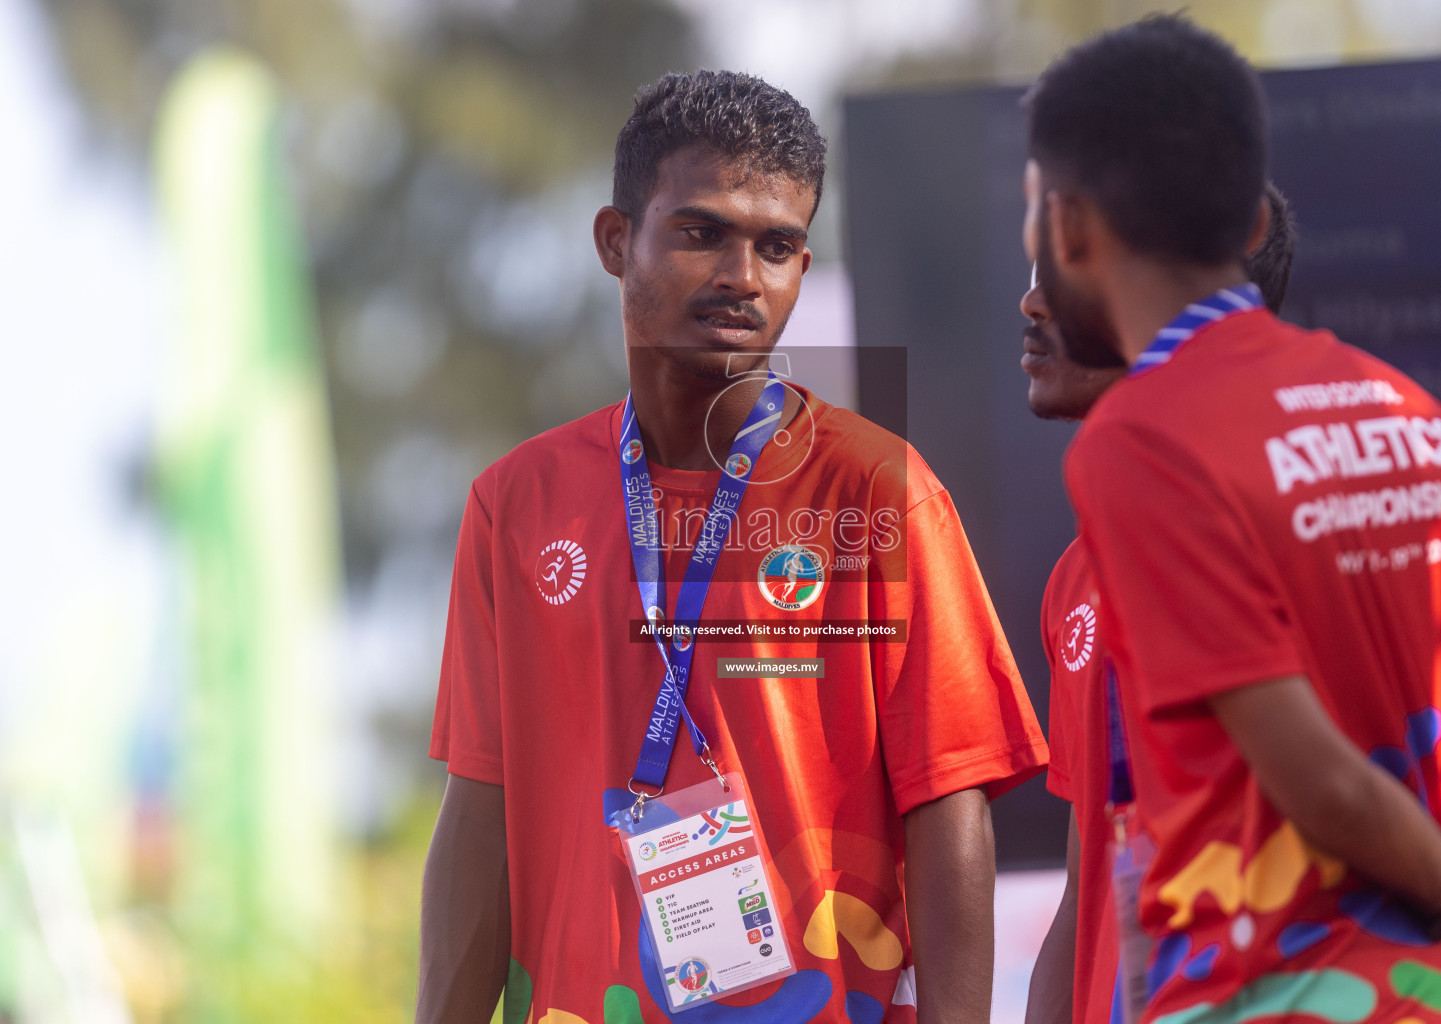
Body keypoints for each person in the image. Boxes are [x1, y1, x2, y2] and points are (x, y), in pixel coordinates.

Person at [416, 70, 1049, 1024]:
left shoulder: (880, 491)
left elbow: (949, 803)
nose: (742, 277)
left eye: (778, 245)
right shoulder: (517, 503)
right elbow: (480, 808)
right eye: (702, 232)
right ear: (616, 241)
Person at [1023, 15, 1441, 1024]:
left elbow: (1319, 782)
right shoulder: (1420, 420)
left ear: (1070, 229)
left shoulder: (1140, 441)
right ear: (1255, 225)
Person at [1023, 182, 1297, 1024]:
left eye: (1070, 271)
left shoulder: (1288, 523)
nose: (1033, 302)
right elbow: (1088, 879)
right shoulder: (1075, 575)